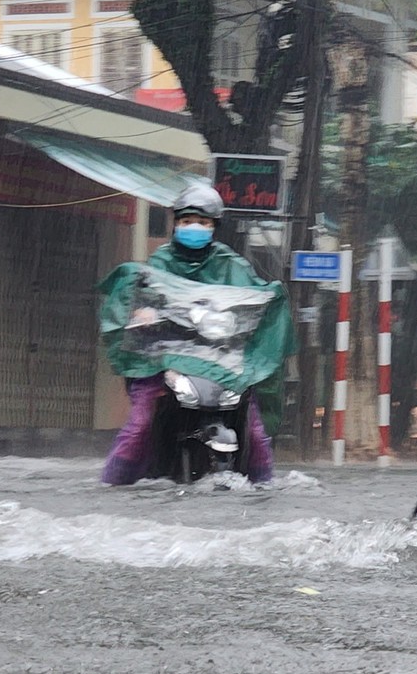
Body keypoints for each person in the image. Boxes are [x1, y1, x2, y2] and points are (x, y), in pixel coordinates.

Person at [101, 182, 289, 485]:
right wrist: (142, 311)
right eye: (187, 221)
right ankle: (111, 485)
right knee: (140, 425)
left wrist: (268, 304)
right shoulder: (160, 263)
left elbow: (255, 299)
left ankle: (266, 487)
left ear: (214, 227)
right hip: (166, 361)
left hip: (220, 363)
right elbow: (137, 295)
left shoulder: (232, 265)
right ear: (176, 224)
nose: (194, 228)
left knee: (254, 430)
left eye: (202, 222)